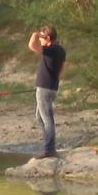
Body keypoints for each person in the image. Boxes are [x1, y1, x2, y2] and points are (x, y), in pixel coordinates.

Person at [28, 25, 66, 159]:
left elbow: (32, 45)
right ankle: (48, 146)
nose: (41, 40)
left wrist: (35, 34)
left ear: (48, 38)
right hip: (51, 87)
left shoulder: (50, 50)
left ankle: (49, 150)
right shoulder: (60, 50)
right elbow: (63, 70)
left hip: (45, 89)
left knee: (47, 119)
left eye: (43, 38)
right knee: (40, 117)